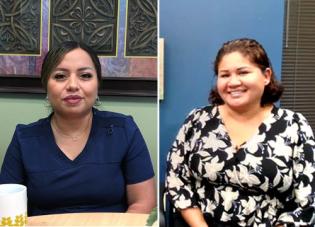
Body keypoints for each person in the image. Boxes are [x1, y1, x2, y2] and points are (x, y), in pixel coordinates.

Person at [165, 38, 315, 226]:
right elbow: (177, 180)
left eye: (243, 72)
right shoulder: (197, 120)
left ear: (266, 76)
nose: (233, 82)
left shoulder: (295, 126)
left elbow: (307, 200)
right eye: (224, 75)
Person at [0, 41, 156, 216]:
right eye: (60, 76)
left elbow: (144, 203)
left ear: (98, 84)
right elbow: (7, 207)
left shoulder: (124, 130)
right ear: (45, 85)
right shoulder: (24, 138)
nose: (73, 85)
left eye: (85, 76)